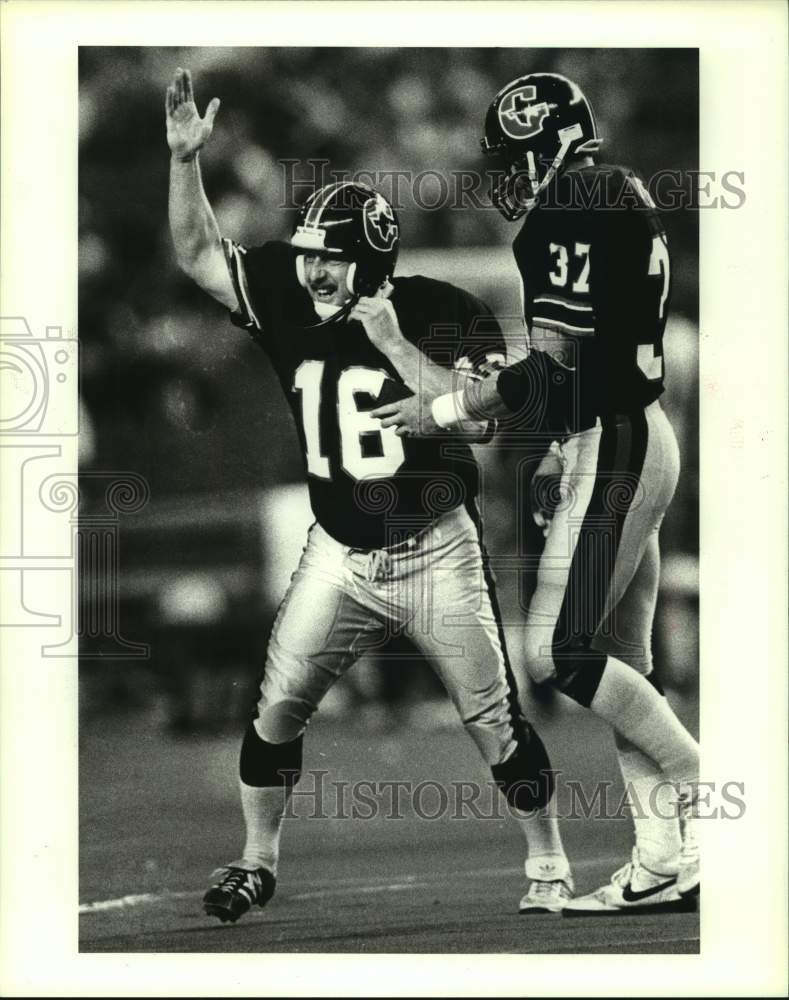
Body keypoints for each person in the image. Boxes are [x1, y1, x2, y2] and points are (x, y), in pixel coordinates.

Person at [165, 67, 576, 923]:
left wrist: (392, 341)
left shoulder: (437, 310)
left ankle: (548, 861)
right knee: (277, 704)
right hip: (339, 549)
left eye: (332, 259)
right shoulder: (285, 290)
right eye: (310, 254)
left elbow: (478, 430)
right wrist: (183, 164)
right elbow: (201, 255)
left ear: (374, 263)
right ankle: (256, 860)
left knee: (490, 720)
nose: (312, 271)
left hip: (435, 544)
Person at [372, 73, 700, 913]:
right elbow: (582, 361)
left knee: (559, 654)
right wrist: (557, 437)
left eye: (514, 156)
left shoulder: (567, 208)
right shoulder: (613, 188)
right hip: (627, 431)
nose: (507, 176)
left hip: (617, 444)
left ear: (548, 143)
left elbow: (550, 364)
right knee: (621, 662)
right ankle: (663, 858)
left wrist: (444, 404)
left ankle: (708, 792)